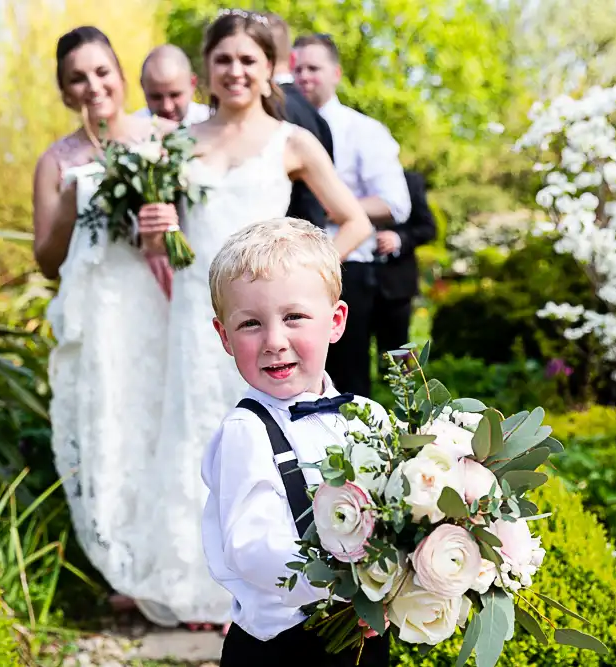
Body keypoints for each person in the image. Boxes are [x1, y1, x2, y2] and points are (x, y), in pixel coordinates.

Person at [140, 8, 374, 630]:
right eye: (223, 59)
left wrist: (309, 276)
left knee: (276, 449)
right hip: (203, 311)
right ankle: (196, 584)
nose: (236, 70)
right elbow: (160, 243)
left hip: (268, 310)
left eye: (250, 59)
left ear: (272, 69)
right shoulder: (173, 144)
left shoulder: (291, 140)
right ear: (205, 71)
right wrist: (157, 232)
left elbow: (355, 220)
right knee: (197, 440)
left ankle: (271, 581)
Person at [31, 26, 183, 626]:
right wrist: (72, 201)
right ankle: (129, 568)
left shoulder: (167, 139)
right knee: (113, 432)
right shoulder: (56, 159)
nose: (92, 86)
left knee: (168, 427)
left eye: (101, 71)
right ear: (64, 91)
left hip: (162, 305)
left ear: (121, 75)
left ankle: (179, 565)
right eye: (77, 78)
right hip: (98, 316)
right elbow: (45, 260)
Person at [201, 218, 391, 667]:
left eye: (294, 318)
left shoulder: (368, 417)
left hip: (365, 636)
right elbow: (252, 547)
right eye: (250, 324)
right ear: (225, 337)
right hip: (282, 649)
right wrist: (348, 577)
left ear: (336, 321)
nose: (274, 341)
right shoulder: (245, 432)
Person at [294, 33, 411, 398]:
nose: (304, 77)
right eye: (297, 69)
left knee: (346, 382)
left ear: (336, 73)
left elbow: (396, 203)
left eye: (313, 68)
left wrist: (340, 208)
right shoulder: (278, 129)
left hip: (347, 267)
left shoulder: (364, 131)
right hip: (288, 269)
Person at [264, 12, 334, 230]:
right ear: (292, 60)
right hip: (311, 240)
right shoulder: (316, 115)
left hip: (277, 247)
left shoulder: (267, 110)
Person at [372, 169, 437, 362]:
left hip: (397, 281)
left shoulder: (409, 180)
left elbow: (428, 228)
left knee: (397, 353)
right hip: (353, 282)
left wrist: (400, 239)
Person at [134, 44, 211, 126]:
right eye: (156, 97)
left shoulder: (214, 126)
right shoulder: (133, 130)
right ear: (143, 86)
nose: (167, 107)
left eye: (175, 95)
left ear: (192, 83)